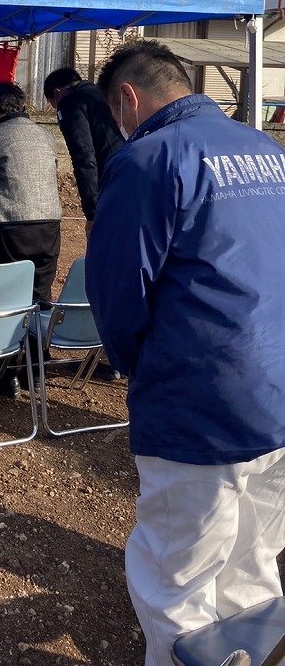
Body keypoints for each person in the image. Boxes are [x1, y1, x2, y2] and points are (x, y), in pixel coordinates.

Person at [85, 39, 285, 666]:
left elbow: (118, 291)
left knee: (175, 579)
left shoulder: (148, 159)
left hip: (203, 400)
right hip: (277, 393)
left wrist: (136, 365)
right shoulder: (266, 150)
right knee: (253, 564)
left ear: (128, 99)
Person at [0, 81, 61, 305]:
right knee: (41, 294)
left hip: (9, 226)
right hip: (50, 225)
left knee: (7, 296)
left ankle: (9, 339)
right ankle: (39, 338)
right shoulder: (46, 136)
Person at [43, 66, 124, 236]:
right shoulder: (102, 94)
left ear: (57, 94)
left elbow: (83, 156)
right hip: (130, 174)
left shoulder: (70, 103)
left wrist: (92, 212)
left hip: (109, 183)